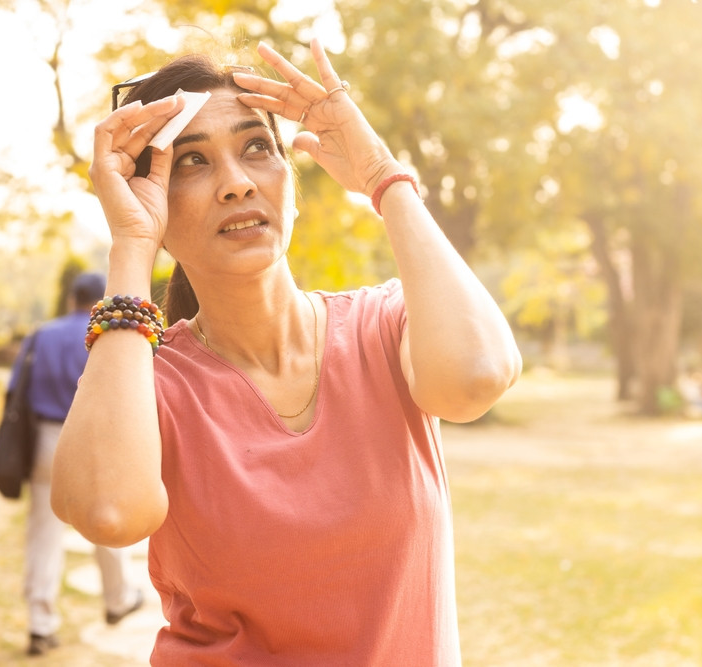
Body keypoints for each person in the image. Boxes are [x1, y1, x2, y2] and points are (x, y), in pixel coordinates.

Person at [51, 39, 522, 665]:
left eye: (256, 147)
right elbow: (108, 510)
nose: (237, 183)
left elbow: (477, 378)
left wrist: (382, 174)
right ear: (154, 201)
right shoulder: (151, 383)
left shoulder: (384, 327)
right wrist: (132, 243)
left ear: (291, 180)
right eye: (191, 162)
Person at [9, 271, 144, 657]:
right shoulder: (106, 333)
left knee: (43, 533)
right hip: (94, 440)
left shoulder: (42, 335)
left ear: (71, 298)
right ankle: (117, 599)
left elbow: (14, 389)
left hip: (44, 440)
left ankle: (40, 624)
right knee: (106, 520)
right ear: (99, 299)